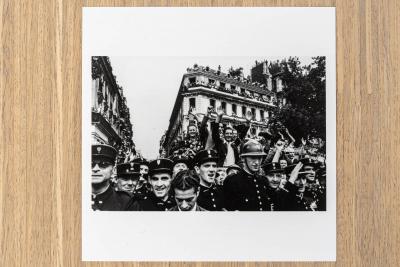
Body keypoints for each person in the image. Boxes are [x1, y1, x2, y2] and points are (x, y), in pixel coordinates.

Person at [223, 140, 272, 211]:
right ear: (243, 158)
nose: (257, 162)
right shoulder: (232, 181)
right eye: (253, 158)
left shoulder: (263, 180)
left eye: (259, 158)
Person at [91, 144, 132, 211]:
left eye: (103, 164)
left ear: (113, 170)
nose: (95, 169)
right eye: (91, 164)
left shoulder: (126, 202)